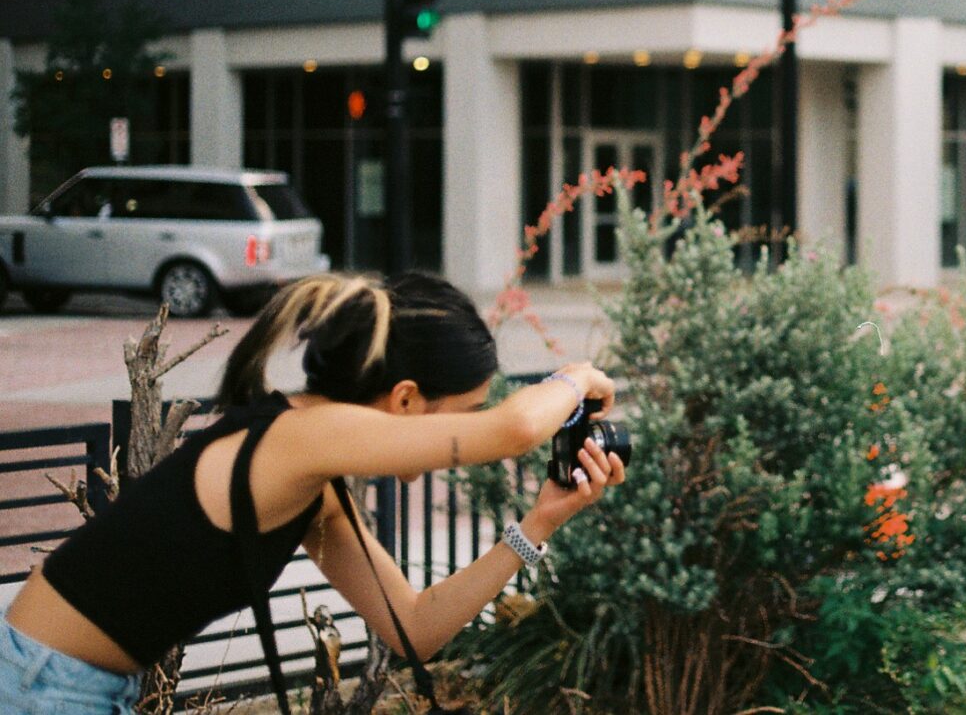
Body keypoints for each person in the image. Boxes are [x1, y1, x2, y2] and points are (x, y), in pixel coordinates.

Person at [2, 271, 626, 714]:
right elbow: (514, 429)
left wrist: (539, 524)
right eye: (463, 412)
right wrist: (575, 378)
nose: (465, 429)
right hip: (43, 682)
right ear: (406, 398)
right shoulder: (302, 436)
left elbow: (413, 628)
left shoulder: (312, 474)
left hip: (70, 681)